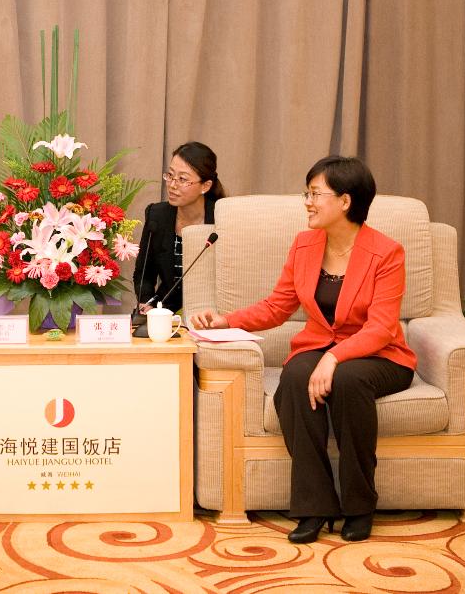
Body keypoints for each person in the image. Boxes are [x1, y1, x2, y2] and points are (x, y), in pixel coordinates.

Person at [192, 156, 415, 544]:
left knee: (346, 379)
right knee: (295, 377)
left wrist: (333, 358)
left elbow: (381, 328)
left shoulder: (387, 253)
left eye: (316, 194)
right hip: (321, 345)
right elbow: (278, 306)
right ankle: (315, 505)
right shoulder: (305, 244)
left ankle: (360, 505)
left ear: (346, 201)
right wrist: (226, 320)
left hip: (381, 356)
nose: (308, 202)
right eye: (306, 193)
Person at [131, 142, 226, 317]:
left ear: (205, 186)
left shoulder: (223, 218)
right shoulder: (157, 215)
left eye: (182, 179)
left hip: (210, 313)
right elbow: (144, 273)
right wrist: (147, 305)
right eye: (170, 176)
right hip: (165, 311)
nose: (172, 185)